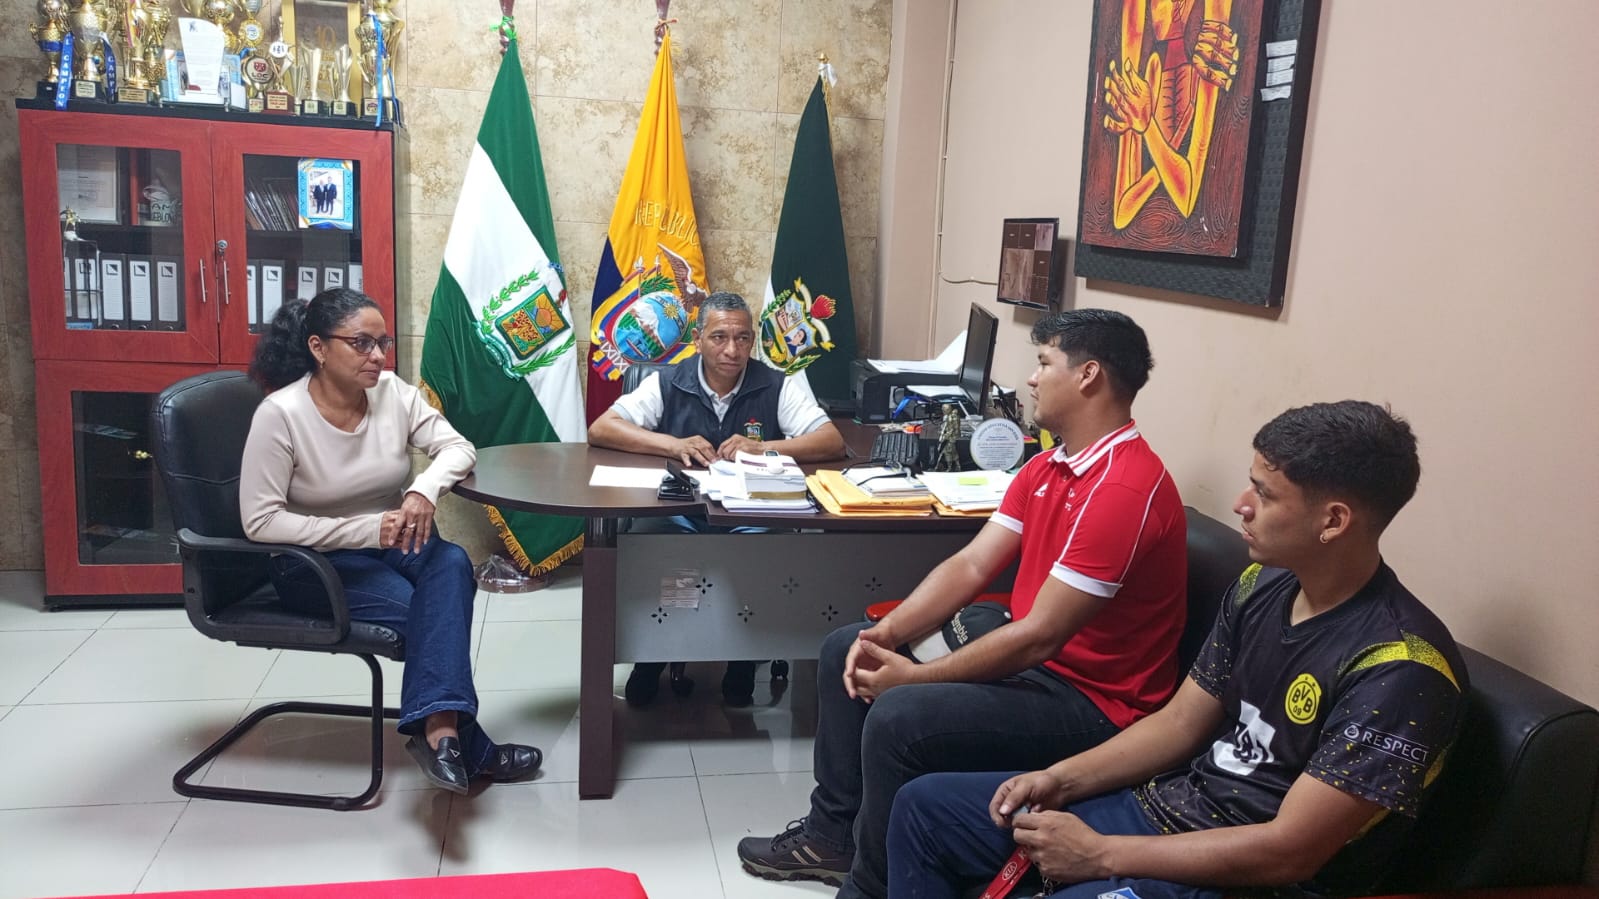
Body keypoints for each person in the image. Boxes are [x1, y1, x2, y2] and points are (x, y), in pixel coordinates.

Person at [886, 401, 1468, 899]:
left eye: (1265, 494)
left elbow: (1289, 852)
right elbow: (1181, 723)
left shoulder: (1400, 668)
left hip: (1248, 876)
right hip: (1169, 808)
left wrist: (1101, 854)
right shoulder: (1261, 586)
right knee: (925, 808)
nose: (1241, 504)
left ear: (1333, 521)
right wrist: (1059, 779)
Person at [737, 309, 1188, 899]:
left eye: (1044, 363)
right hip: (1040, 670)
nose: (1032, 379)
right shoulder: (1049, 465)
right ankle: (831, 837)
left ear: (1089, 375)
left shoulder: (1123, 489)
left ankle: (870, 887)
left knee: (900, 716)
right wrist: (888, 635)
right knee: (848, 646)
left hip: (1096, 705)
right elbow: (972, 565)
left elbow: (1040, 636)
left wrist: (911, 680)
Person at [240, 288, 541, 795]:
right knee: (431, 613)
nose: (378, 356)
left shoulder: (392, 393)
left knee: (451, 562)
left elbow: (458, 448)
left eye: (383, 343)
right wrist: (367, 529)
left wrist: (423, 490)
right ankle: (462, 744)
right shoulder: (281, 415)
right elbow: (261, 522)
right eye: (361, 343)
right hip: (312, 561)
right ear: (318, 347)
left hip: (393, 538)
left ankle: (441, 738)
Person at [588, 290, 847, 706]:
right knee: (661, 553)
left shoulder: (774, 384)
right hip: (681, 511)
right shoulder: (669, 381)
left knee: (760, 553)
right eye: (720, 337)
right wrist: (672, 444)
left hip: (750, 512)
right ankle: (652, 657)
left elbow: (830, 440)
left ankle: (741, 659)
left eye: (743, 338)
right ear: (698, 339)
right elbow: (603, 428)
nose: (732, 350)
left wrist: (765, 448)